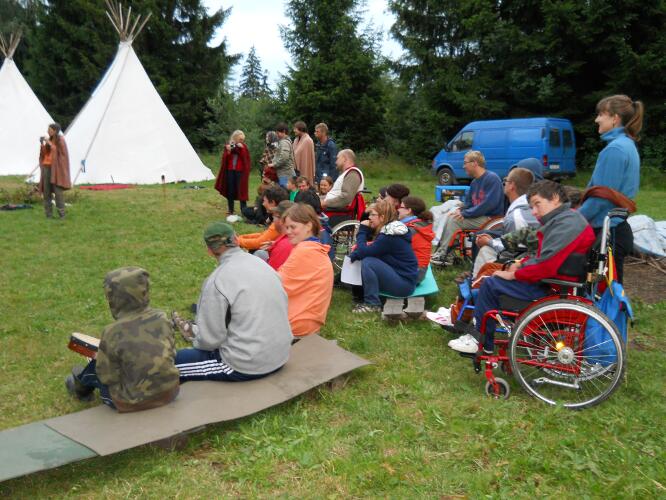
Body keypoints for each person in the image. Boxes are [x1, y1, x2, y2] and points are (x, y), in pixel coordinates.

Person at [448, 181, 596, 354]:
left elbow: (545, 265)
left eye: (537, 204)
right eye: (532, 207)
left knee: (490, 284)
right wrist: (521, 263)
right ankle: (473, 326)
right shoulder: (565, 220)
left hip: (553, 289)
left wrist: (515, 275)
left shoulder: (565, 224)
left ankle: (479, 342)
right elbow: (544, 255)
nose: (534, 211)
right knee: (492, 278)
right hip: (555, 284)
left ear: (555, 198)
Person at [174, 222, 292, 381]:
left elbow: (210, 340)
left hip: (247, 365)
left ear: (209, 251)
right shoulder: (262, 264)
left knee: (169, 364)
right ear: (236, 239)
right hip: (282, 352)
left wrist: (198, 341)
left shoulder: (217, 281)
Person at [65, 267, 180, 412]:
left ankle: (81, 388)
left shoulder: (112, 332)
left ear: (113, 298)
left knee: (95, 368)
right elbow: (172, 353)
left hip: (130, 403)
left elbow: (106, 376)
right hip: (170, 393)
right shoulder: (161, 318)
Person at [579, 94, 643, 283]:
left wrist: (574, 218)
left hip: (608, 232)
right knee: (608, 292)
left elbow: (601, 197)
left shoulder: (615, 149)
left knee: (607, 294)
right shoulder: (626, 145)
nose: (596, 119)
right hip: (615, 229)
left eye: (601, 114)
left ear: (615, 118)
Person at [431, 150, 504, 266]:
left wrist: (465, 214)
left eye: (465, 163)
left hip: (491, 218)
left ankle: (445, 255)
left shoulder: (492, 178)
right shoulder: (474, 182)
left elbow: (488, 205)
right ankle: (445, 251)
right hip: (479, 216)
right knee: (452, 215)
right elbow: (469, 203)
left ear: (474, 163)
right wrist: (461, 210)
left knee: (455, 220)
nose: (463, 166)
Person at [349, 199, 418, 313]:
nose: (369, 217)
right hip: (403, 278)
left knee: (368, 262)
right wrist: (355, 255)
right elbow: (370, 251)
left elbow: (363, 252)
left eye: (373, 215)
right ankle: (361, 297)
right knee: (368, 259)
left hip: (404, 285)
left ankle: (372, 304)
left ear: (382, 217)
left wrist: (363, 230)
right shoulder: (389, 231)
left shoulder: (389, 236)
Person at [278, 203, 334, 337]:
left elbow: (276, 286)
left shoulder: (304, 251)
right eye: (287, 227)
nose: (288, 232)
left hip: (296, 323)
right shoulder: (313, 247)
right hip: (308, 322)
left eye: (293, 227)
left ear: (308, 226)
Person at [472, 167, 539, 277]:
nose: (504, 184)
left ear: (512, 185)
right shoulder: (527, 205)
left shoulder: (516, 217)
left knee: (485, 248)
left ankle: (475, 280)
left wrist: (490, 242)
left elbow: (514, 250)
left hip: (522, 262)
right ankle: (473, 276)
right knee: (482, 236)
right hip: (528, 251)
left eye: (505, 181)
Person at [397, 196, 435, 283]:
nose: (398, 209)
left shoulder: (410, 229)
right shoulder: (418, 224)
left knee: (371, 262)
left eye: (401, 207)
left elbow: (386, 247)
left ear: (408, 210)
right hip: (418, 272)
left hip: (411, 274)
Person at [238, 186, 288, 251]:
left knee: (258, 252)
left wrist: (238, 241)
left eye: (264, 201)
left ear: (272, 202)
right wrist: (242, 237)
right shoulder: (281, 215)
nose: (263, 204)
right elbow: (263, 235)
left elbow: (259, 242)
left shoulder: (279, 221)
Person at [214, 130, 251, 215]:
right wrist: (229, 151)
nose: (242, 141)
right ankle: (231, 209)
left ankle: (244, 210)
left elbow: (245, 158)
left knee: (241, 190)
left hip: (240, 171)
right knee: (230, 189)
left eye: (243, 140)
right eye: (240, 139)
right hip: (230, 170)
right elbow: (225, 158)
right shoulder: (230, 145)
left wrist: (241, 149)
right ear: (236, 138)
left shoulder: (243, 147)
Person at [39, 123, 71, 219]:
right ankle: (48, 215)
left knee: (58, 192)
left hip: (56, 169)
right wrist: (42, 144)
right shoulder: (51, 140)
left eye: (50, 130)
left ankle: (62, 215)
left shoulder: (60, 139)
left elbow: (59, 152)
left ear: (55, 131)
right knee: (46, 192)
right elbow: (45, 153)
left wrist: (48, 142)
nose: (48, 131)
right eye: (48, 129)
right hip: (46, 167)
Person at [254, 200, 295, 270]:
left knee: (258, 254)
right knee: (260, 253)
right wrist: (275, 245)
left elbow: (273, 273)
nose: (273, 220)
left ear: (281, 220)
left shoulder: (284, 245)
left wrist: (238, 240)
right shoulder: (292, 237)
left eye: (274, 217)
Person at [268, 122, 296, 187]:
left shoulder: (284, 143)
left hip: (286, 174)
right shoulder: (283, 141)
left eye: (278, 133)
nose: (277, 135)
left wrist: (274, 164)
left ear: (284, 131)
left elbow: (284, 157)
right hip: (285, 173)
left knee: (285, 191)